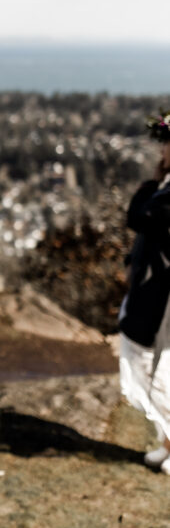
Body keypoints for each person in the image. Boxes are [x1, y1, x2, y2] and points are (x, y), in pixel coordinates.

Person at [119, 110, 170, 474]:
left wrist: (153, 180)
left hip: (164, 296)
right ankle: (168, 444)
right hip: (155, 288)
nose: (162, 150)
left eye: (166, 143)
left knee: (158, 369)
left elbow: (140, 216)